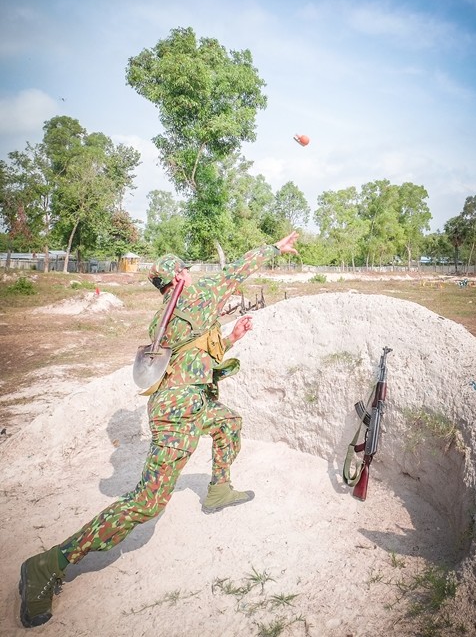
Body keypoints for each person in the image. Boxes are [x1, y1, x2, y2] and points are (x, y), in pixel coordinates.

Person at [18, 231, 299, 628]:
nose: (192, 273)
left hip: (190, 403)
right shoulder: (195, 298)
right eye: (186, 269)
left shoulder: (164, 316)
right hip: (178, 414)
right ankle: (49, 564)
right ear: (180, 276)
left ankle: (218, 489)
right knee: (146, 503)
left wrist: (231, 337)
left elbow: (191, 356)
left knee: (229, 423)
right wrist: (274, 249)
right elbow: (237, 270)